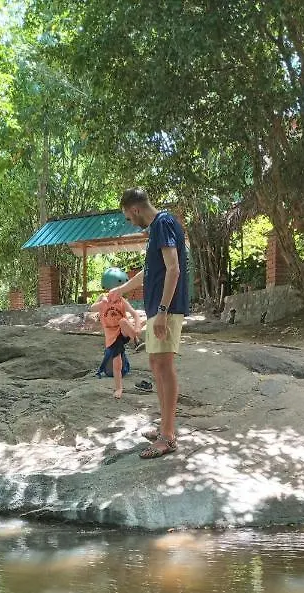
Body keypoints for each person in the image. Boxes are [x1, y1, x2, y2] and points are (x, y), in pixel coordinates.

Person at [108, 188, 189, 459]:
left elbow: (174, 268)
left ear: (135, 209)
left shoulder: (163, 223)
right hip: (157, 309)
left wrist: (164, 311)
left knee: (164, 366)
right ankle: (165, 427)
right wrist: (123, 289)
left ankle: (168, 436)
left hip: (167, 308)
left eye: (129, 218)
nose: (131, 223)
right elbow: (151, 271)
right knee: (156, 364)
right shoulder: (157, 229)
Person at [85, 267, 142, 399]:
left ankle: (137, 341)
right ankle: (119, 388)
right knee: (117, 364)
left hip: (124, 332)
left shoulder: (122, 301)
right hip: (112, 337)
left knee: (122, 321)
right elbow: (91, 308)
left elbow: (135, 314)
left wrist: (137, 328)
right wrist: (101, 303)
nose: (118, 294)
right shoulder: (103, 299)